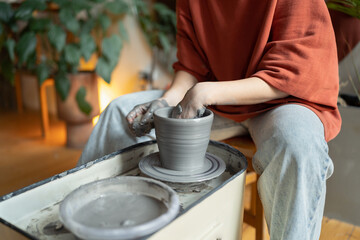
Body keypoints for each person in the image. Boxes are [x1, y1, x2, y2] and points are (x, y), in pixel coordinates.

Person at [78, 0, 341, 239]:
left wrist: (209, 91)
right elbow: (191, 67)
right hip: (216, 102)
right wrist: (167, 102)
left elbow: (294, 71)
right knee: (118, 112)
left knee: (297, 144)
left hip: (281, 101)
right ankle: (87, 223)